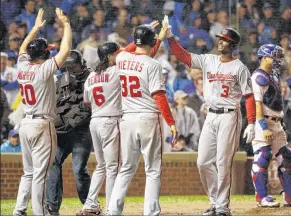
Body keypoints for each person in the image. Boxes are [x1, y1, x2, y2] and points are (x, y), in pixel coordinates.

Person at [166, 27, 256, 216]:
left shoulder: (239, 68)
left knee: (223, 162)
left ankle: (223, 207)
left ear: (232, 45)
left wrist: (253, 122)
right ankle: (215, 202)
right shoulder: (208, 60)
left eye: (224, 40)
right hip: (211, 115)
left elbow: (249, 96)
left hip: (229, 115)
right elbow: (183, 56)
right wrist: (170, 37)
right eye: (220, 39)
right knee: (203, 162)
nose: (220, 42)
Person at [108, 24, 177, 215]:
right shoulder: (154, 65)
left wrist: (147, 34)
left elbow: (132, 51)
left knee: (126, 169)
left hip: (127, 119)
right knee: (152, 170)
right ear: (152, 42)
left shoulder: (121, 57)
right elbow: (159, 96)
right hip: (148, 118)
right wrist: (170, 122)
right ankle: (150, 212)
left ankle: (113, 211)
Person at [13, 8, 72, 216]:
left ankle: (19, 210)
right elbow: (65, 51)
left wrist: (35, 29)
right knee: (41, 175)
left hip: (26, 123)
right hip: (41, 125)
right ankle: (40, 213)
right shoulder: (43, 69)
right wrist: (67, 25)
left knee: (28, 173)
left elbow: (22, 48)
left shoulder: (22, 66)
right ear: (44, 53)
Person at [250, 44, 291, 207]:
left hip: (277, 122)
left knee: (285, 157)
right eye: (274, 57)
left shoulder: (274, 74)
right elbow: (257, 104)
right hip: (263, 122)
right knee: (262, 157)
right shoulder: (258, 77)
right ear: (264, 58)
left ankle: (289, 196)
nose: (278, 60)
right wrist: (263, 127)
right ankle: (262, 197)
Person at [77, 42, 122, 216]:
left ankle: (90, 204)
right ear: (109, 56)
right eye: (117, 53)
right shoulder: (116, 71)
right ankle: (112, 208)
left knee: (102, 165)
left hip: (95, 121)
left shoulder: (91, 76)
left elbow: (86, 102)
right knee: (112, 167)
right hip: (110, 121)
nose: (120, 56)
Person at [46, 50, 92, 215]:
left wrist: (66, 120)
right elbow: (55, 101)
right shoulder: (61, 79)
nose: (71, 69)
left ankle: (90, 205)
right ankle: (52, 207)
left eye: (74, 66)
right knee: (53, 163)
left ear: (82, 63)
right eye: (68, 66)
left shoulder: (91, 78)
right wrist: (60, 120)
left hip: (81, 131)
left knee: (79, 169)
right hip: (63, 132)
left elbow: (88, 107)